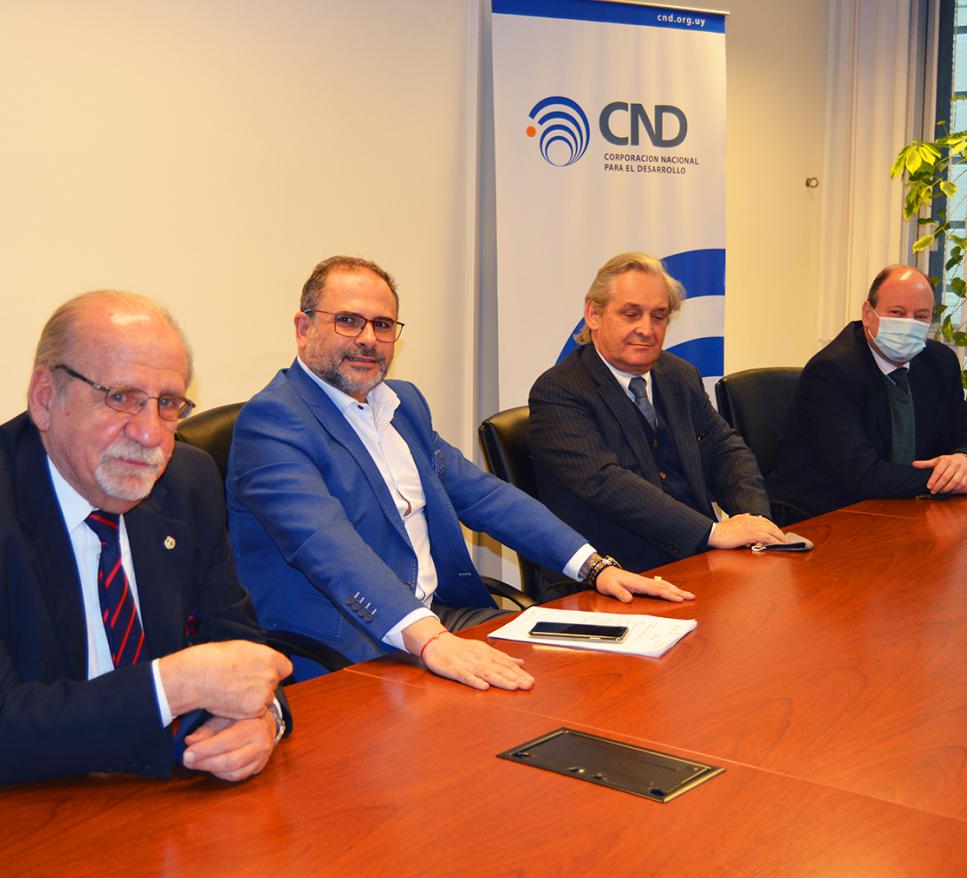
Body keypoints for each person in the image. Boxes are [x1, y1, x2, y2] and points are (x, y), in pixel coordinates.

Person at [0, 291, 292, 840]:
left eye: (167, 403)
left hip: (141, 805)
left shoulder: (187, 481)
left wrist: (264, 719)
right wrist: (174, 685)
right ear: (45, 398)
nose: (151, 434)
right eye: (121, 398)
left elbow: (239, 643)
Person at [226, 255, 691, 690]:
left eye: (383, 325)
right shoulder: (273, 423)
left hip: (438, 616)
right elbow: (327, 546)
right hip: (348, 641)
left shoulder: (402, 404)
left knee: (594, 681)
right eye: (348, 320)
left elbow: (484, 496)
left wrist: (594, 567)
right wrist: (430, 639)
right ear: (304, 328)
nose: (368, 338)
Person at [527, 252, 785, 575]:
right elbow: (606, 483)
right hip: (614, 575)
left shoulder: (681, 375)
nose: (646, 329)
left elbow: (726, 450)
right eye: (631, 314)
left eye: (659, 316)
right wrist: (713, 532)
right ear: (594, 314)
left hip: (700, 563)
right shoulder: (559, 391)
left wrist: (756, 526)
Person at [767, 265, 967, 521]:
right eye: (897, 313)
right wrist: (960, 483)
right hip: (825, 517)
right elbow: (863, 476)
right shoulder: (831, 371)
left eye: (920, 316)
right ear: (868, 314)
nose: (909, 324)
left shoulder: (940, 361)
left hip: (904, 510)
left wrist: (964, 461)